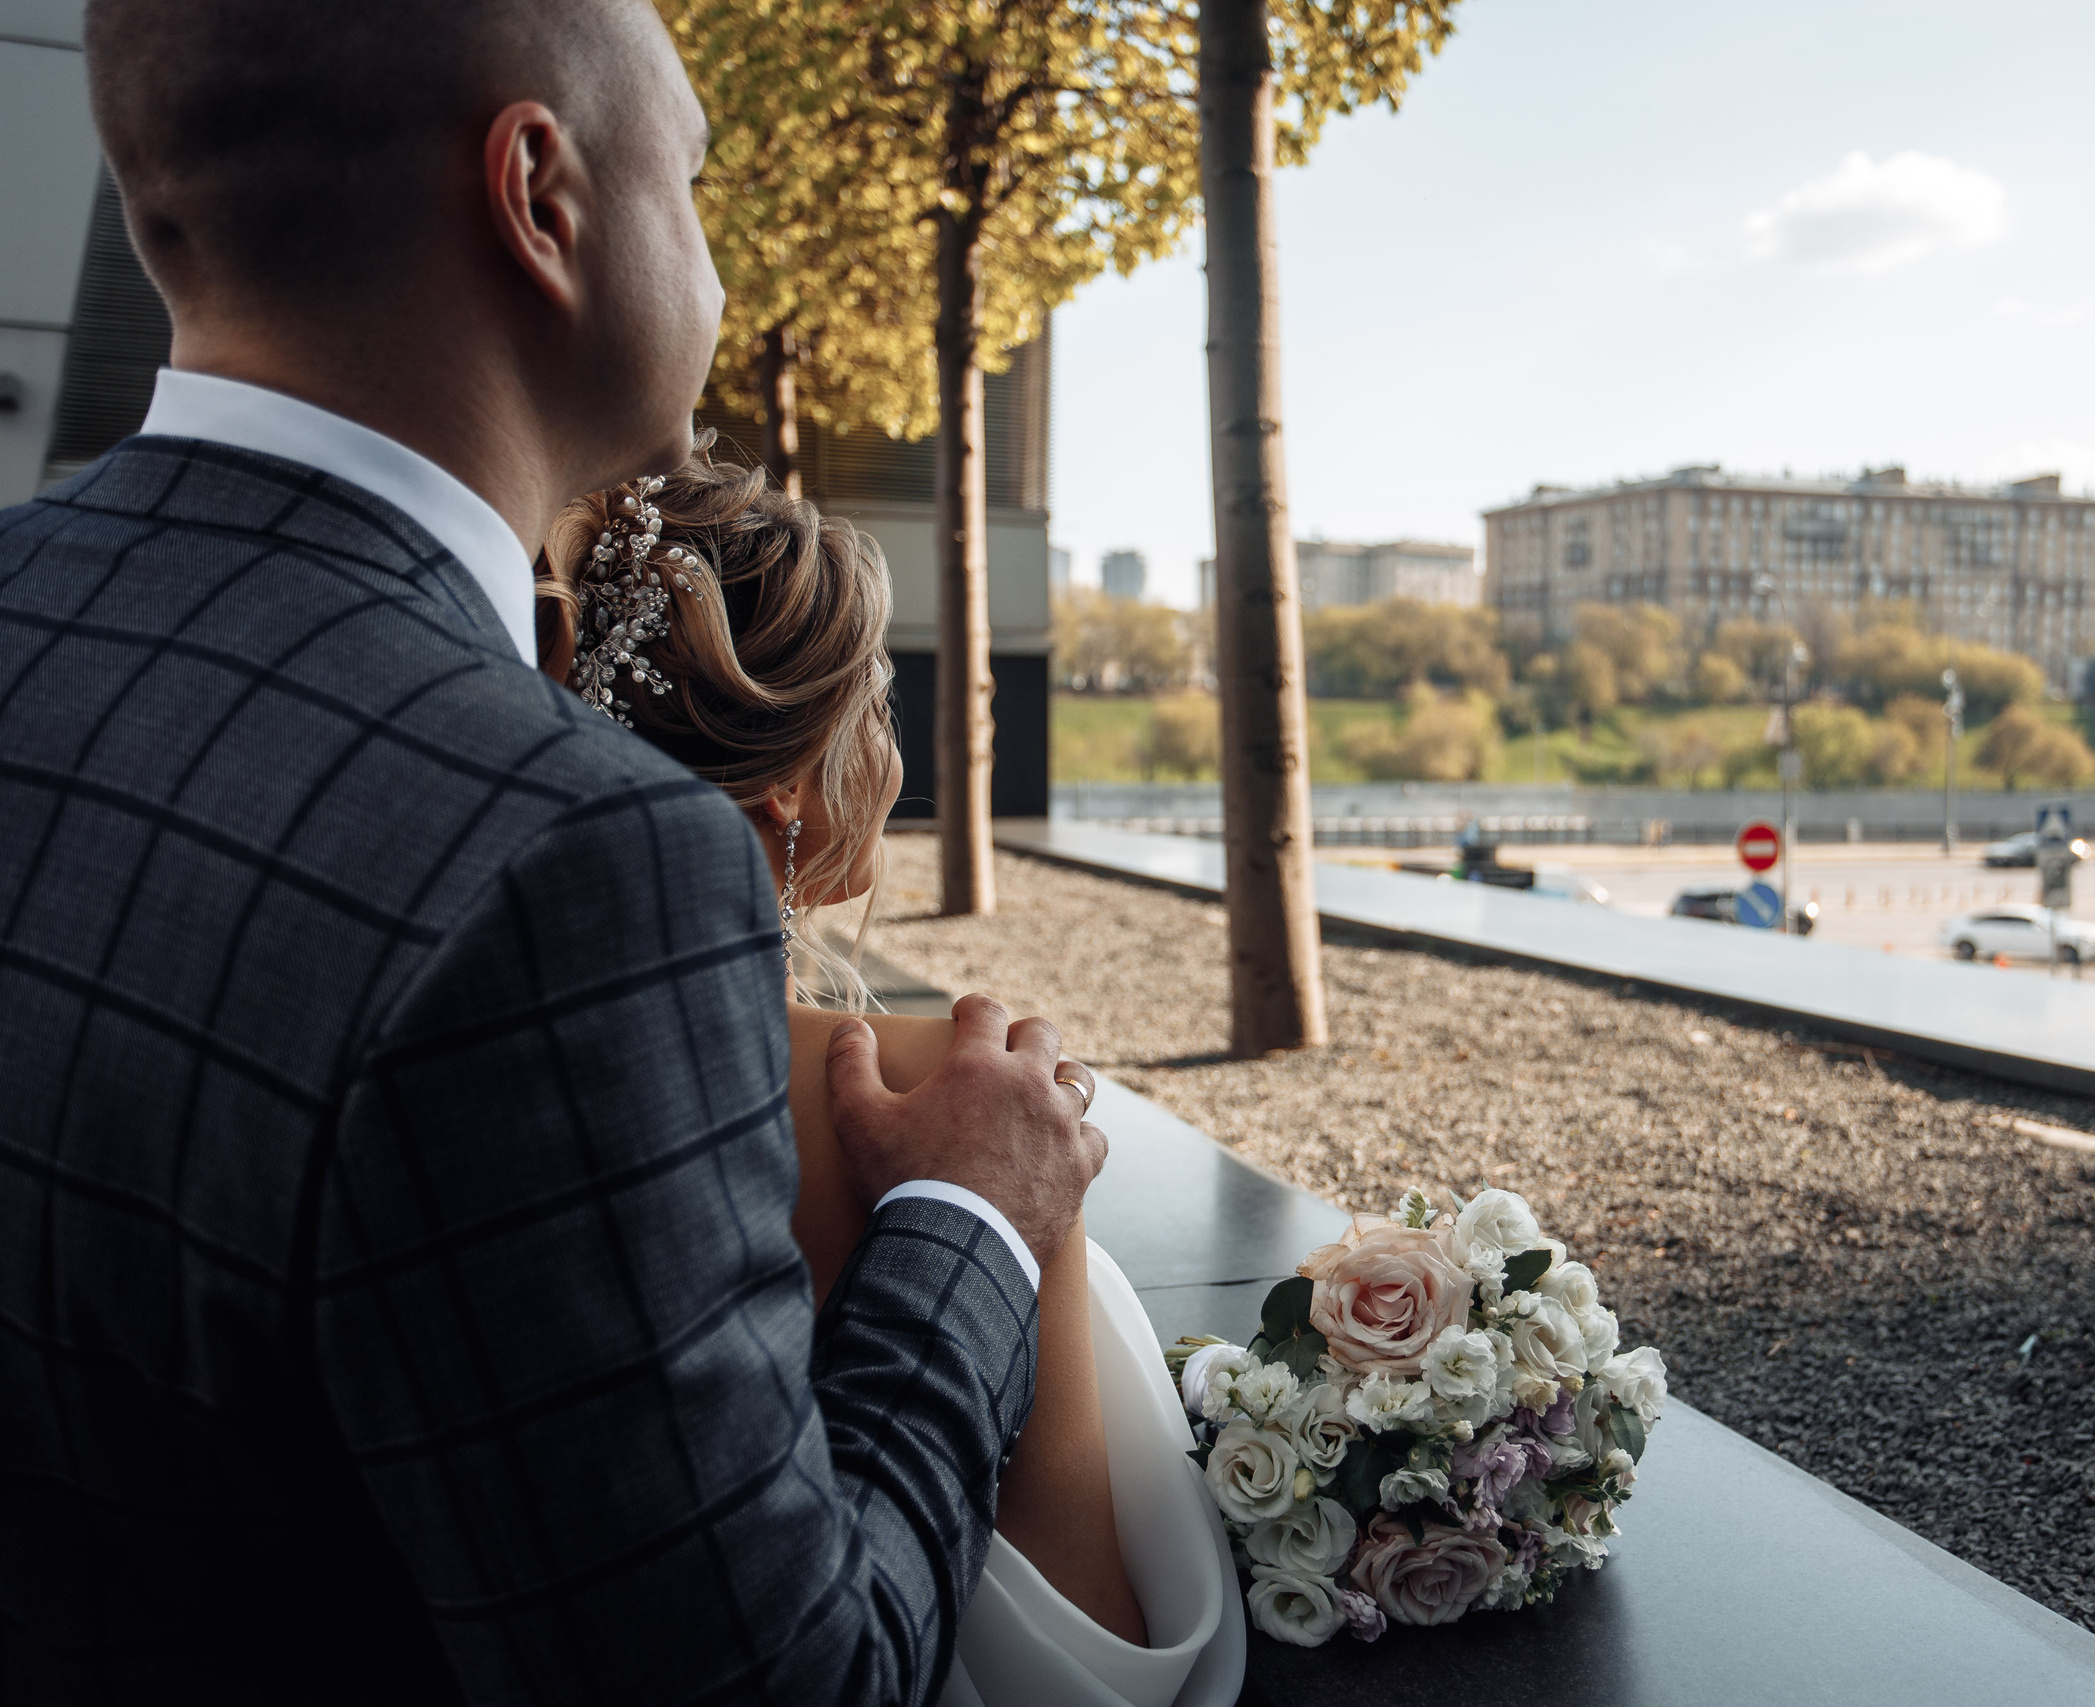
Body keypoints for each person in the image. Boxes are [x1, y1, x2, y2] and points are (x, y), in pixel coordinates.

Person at [0, 3, 1099, 1702]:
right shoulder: (580, 863)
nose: (719, 266)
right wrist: (974, 1214)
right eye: (697, 178)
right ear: (542, 195)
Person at [535, 456, 1243, 1706]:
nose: (887, 749)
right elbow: (1086, 1635)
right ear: (791, 781)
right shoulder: (949, 1096)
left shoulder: (509, 1078)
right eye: (877, 704)